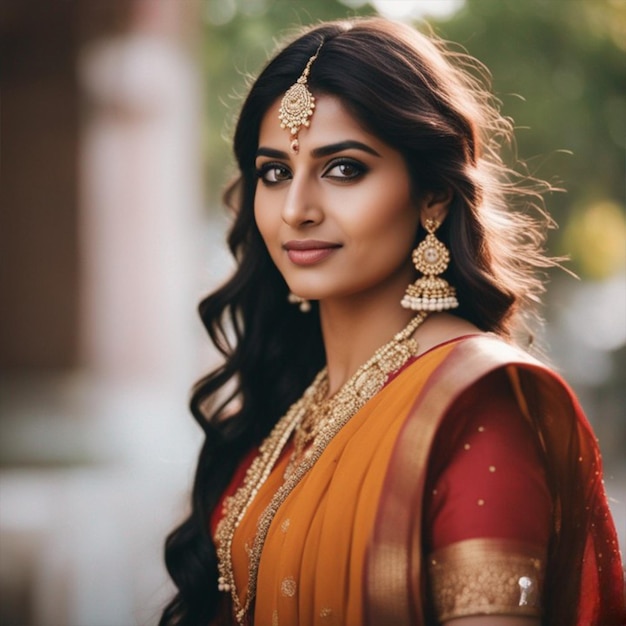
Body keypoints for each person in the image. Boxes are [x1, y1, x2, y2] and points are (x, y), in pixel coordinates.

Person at [160, 16, 624, 626]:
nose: (296, 209)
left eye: (343, 168)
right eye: (275, 172)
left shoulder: (475, 405)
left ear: (432, 194)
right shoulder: (297, 405)